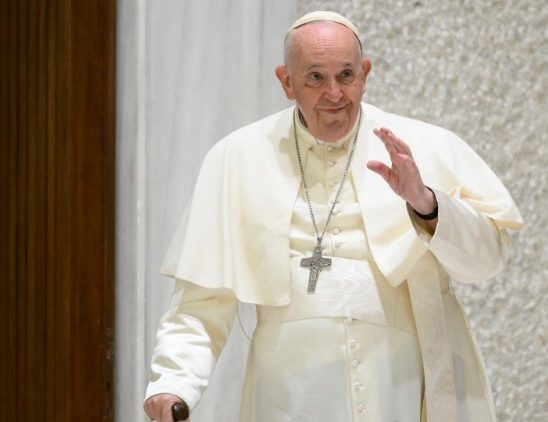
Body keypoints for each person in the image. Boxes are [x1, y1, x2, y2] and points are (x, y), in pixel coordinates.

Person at [143, 10, 523, 422]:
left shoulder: (425, 147)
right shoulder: (236, 158)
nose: (334, 93)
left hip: (399, 387)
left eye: (345, 75)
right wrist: (172, 382)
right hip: (287, 394)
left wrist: (427, 205)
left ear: (365, 73)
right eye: (315, 78)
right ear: (286, 82)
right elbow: (201, 300)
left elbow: (487, 260)